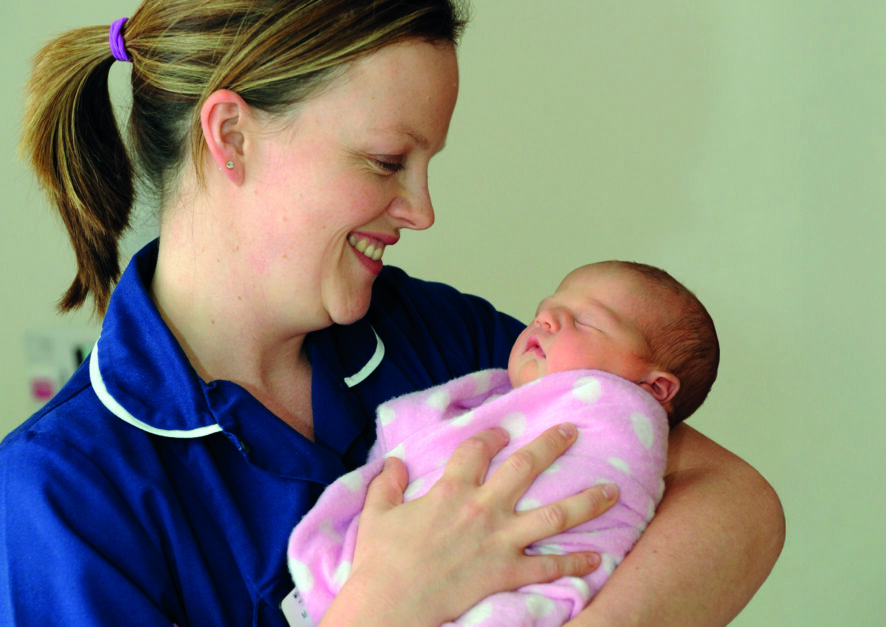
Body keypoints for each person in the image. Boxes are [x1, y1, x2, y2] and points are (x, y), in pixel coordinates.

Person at [0, 1, 784, 625]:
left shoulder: (442, 338)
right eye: (386, 161)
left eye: (425, 164)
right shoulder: (62, 495)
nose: (420, 209)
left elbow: (735, 502)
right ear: (231, 136)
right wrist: (384, 606)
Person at [287, 260, 720, 625]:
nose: (546, 319)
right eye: (545, 309)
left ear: (655, 389)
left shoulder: (615, 427)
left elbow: (737, 494)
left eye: (586, 321)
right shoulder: (501, 388)